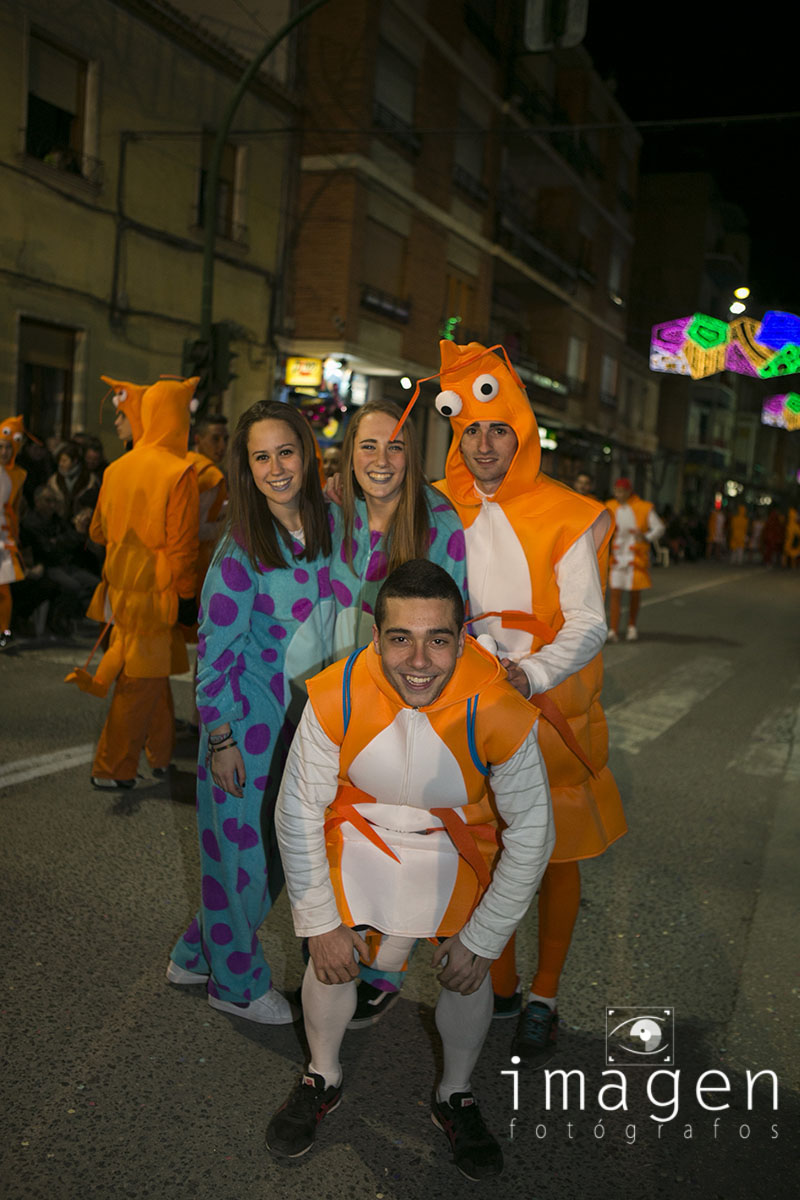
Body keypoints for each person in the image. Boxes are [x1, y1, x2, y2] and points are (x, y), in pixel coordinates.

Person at [267, 560, 554, 1178]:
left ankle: (455, 1092)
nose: (419, 660)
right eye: (401, 638)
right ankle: (322, 1074)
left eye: (438, 640)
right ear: (376, 637)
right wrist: (319, 922)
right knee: (330, 955)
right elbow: (297, 809)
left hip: (455, 845)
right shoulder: (336, 692)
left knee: (469, 974)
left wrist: (483, 939)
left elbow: (534, 830)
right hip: (360, 834)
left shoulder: (498, 706)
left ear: (463, 639)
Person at [428, 340, 625, 1069]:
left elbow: (589, 622)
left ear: (522, 433)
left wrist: (532, 673)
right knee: (485, 848)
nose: (483, 445)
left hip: (550, 715)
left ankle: (544, 994)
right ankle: (503, 986)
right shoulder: (439, 506)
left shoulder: (568, 514)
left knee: (555, 855)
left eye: (497, 430)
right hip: (469, 715)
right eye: (470, 430)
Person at [167, 400, 335, 1025]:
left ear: (307, 454)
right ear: (247, 469)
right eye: (261, 458)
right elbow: (213, 655)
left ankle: (195, 954)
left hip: (306, 725)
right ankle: (235, 984)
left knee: (280, 854)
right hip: (247, 726)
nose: (276, 468)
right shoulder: (241, 550)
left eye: (285, 452)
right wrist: (220, 740)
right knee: (245, 860)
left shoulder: (330, 524)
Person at [327, 398, 468, 1023]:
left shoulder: (439, 518)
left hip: (413, 696)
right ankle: (349, 943)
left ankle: (387, 966)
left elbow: (456, 619)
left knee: (410, 832)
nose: (381, 459)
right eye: (368, 445)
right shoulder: (335, 514)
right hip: (344, 698)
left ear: (413, 455)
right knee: (350, 829)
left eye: (396, 446)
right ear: (349, 454)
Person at [65, 377, 200, 786]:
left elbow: (98, 531)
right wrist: (188, 596)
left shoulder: (116, 468)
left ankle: (159, 754)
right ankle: (112, 769)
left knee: (148, 674)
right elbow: (183, 548)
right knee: (139, 683)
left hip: (119, 592)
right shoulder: (179, 472)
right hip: (156, 596)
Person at [605, 478, 665, 642]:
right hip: (617, 557)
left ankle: (632, 626)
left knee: (634, 593)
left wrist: (646, 537)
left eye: (621, 491)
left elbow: (659, 527)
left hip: (636, 557)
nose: (618, 494)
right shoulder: (610, 506)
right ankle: (613, 630)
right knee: (615, 593)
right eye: (616, 491)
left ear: (629, 492)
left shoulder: (644, 507)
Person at [1, 416, 28, 649]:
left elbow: (15, 508)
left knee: (3, 585)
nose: (4, 452)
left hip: (4, 535)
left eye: (8, 447)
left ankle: (4, 630)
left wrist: (15, 536)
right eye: (1, 446)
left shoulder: (18, 475)